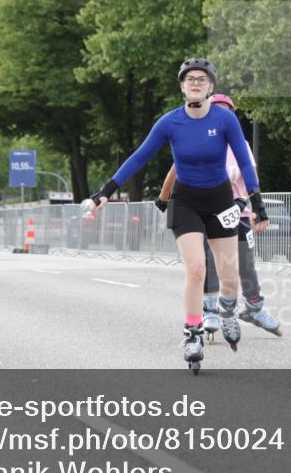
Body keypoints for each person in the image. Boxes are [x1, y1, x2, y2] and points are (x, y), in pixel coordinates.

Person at [89, 58, 270, 374]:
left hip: (221, 202)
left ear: (210, 86)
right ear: (182, 87)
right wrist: (106, 190)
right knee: (197, 268)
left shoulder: (225, 120)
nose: (196, 83)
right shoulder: (169, 122)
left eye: (202, 79)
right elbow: (139, 157)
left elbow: (243, 161)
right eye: (190, 79)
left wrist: (257, 203)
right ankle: (193, 332)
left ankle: (227, 312)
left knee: (229, 277)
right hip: (185, 201)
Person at [157, 93, 281, 341]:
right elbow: (175, 170)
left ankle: (254, 307)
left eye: (227, 110)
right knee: (208, 262)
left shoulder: (240, 143)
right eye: (217, 109)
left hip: (238, 210)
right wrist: (163, 198)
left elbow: (250, 177)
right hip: (206, 210)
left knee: (244, 262)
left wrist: (250, 204)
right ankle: (211, 309)